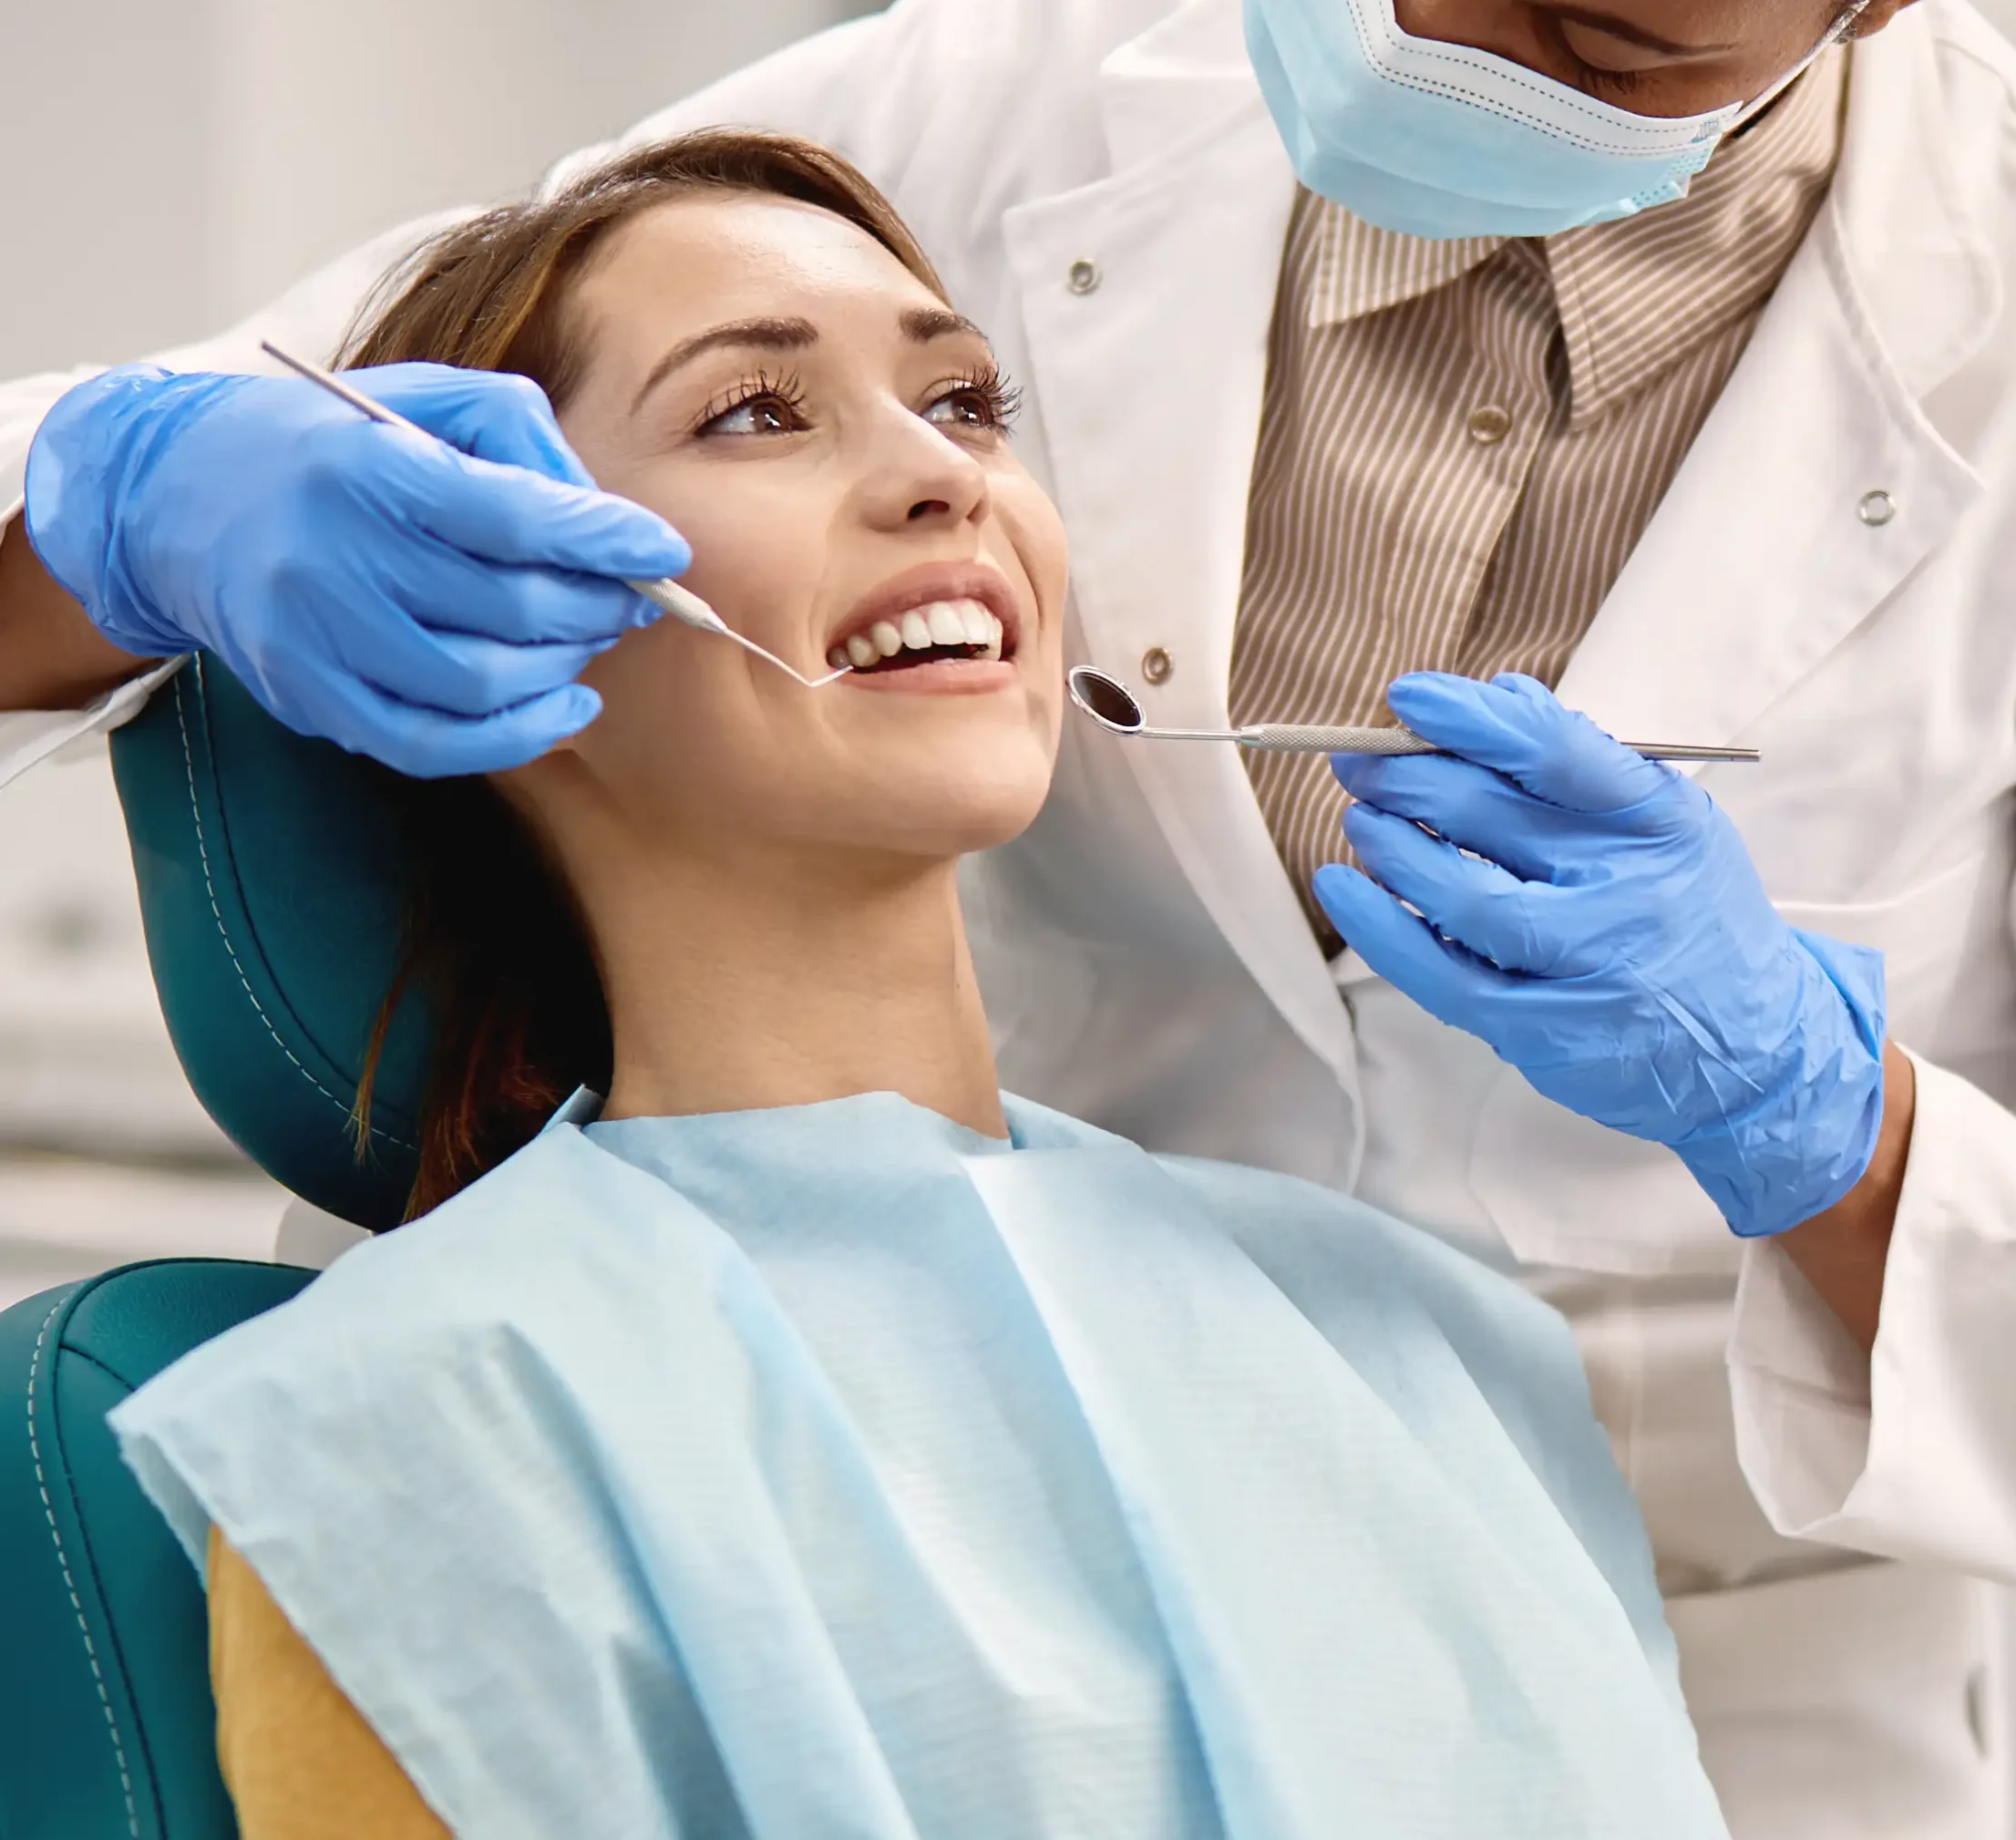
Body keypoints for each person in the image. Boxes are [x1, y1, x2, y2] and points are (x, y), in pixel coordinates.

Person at [3, 0, 2016, 1830]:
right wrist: (141, 497)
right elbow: (309, 418)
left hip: (1665, 1638)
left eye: (1585, 42)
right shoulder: (450, 1442)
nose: (1402, 34)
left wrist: (1828, 1131)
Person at [111, 128, 1729, 1840]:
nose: (941, 476)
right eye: (754, 412)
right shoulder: (408, 1437)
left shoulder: (1433, 1350)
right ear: (481, 618)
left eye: (964, 401)